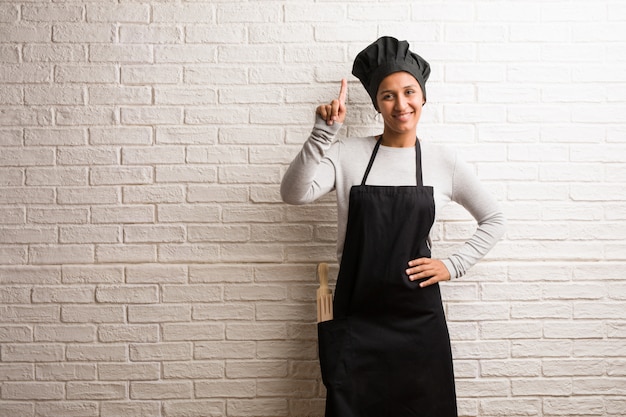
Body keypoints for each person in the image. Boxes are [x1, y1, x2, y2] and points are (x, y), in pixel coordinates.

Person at [280, 36, 505, 417]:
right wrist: (323, 133)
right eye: (388, 95)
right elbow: (294, 193)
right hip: (357, 316)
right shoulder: (347, 153)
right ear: (376, 103)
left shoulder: (442, 161)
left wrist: (452, 265)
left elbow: (493, 219)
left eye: (409, 92)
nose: (401, 104)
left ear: (423, 96)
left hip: (418, 322)